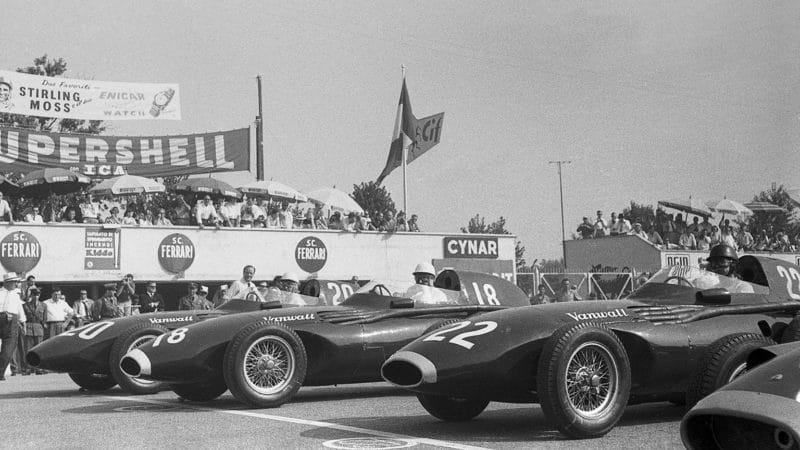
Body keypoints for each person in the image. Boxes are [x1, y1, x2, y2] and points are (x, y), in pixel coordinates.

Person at [0, 273, 25, 380]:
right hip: (2, 317)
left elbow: (19, 309)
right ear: (7, 282)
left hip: (13, 321)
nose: (16, 284)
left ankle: (0, 372)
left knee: (8, 350)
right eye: (14, 282)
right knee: (8, 348)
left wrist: (23, 322)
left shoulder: (16, 295)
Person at [21, 288, 44, 375]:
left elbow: (44, 318)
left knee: (39, 349)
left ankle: (39, 368)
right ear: (31, 295)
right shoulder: (25, 305)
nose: (36, 296)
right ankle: (28, 368)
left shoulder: (43, 305)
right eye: (34, 295)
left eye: (38, 295)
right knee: (28, 349)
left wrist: (41, 325)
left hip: (38, 327)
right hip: (29, 327)